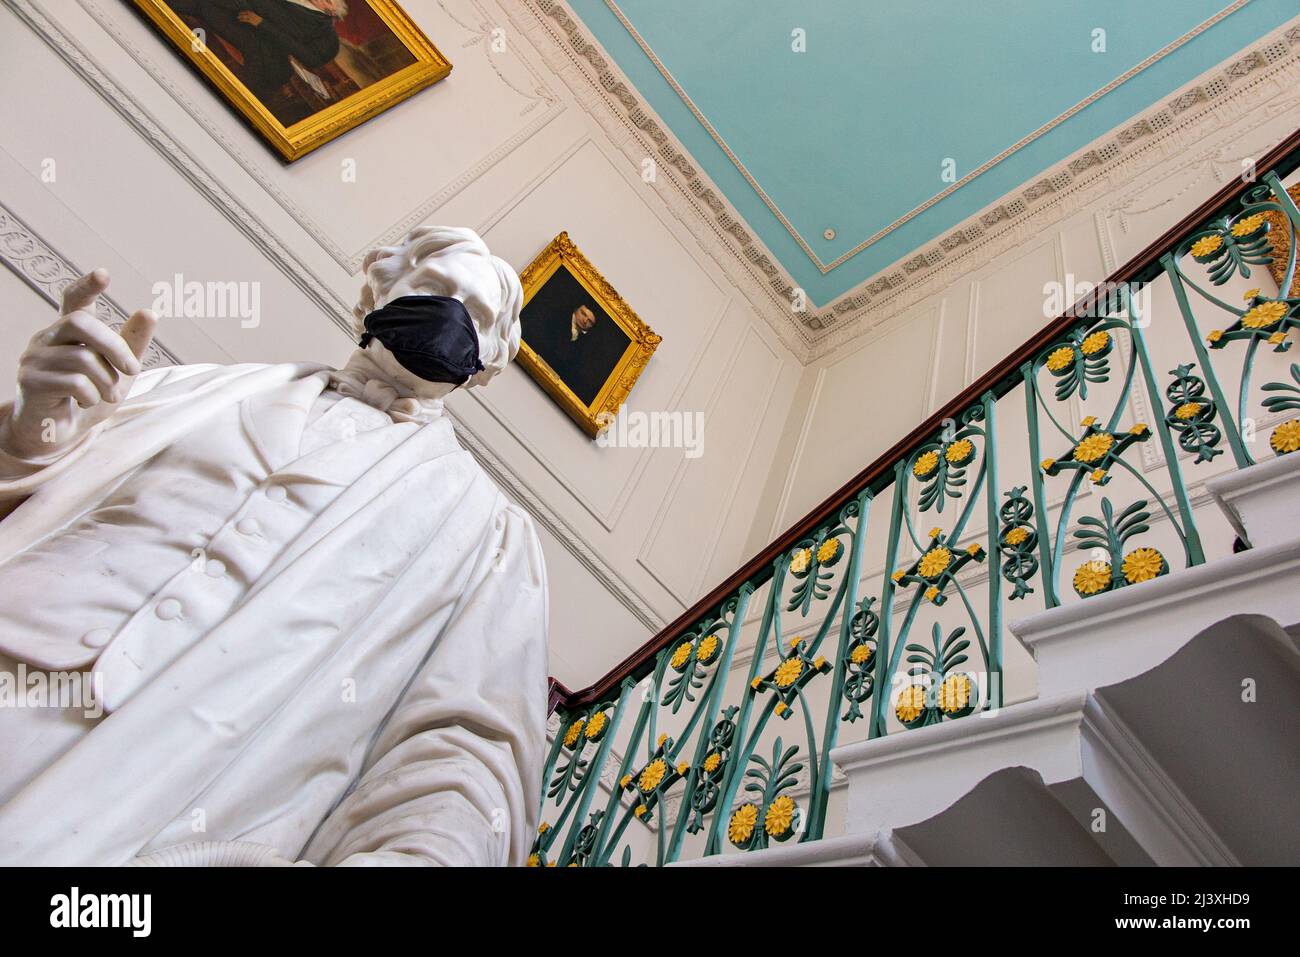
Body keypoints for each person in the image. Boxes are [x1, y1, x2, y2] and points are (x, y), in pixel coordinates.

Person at [0, 226, 548, 867]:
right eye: (431, 289)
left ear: (488, 363)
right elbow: (25, 489)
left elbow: (467, 744)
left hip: (169, 788)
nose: (449, 315)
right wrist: (29, 431)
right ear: (373, 296)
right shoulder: (186, 389)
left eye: (476, 314)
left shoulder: (487, 534)